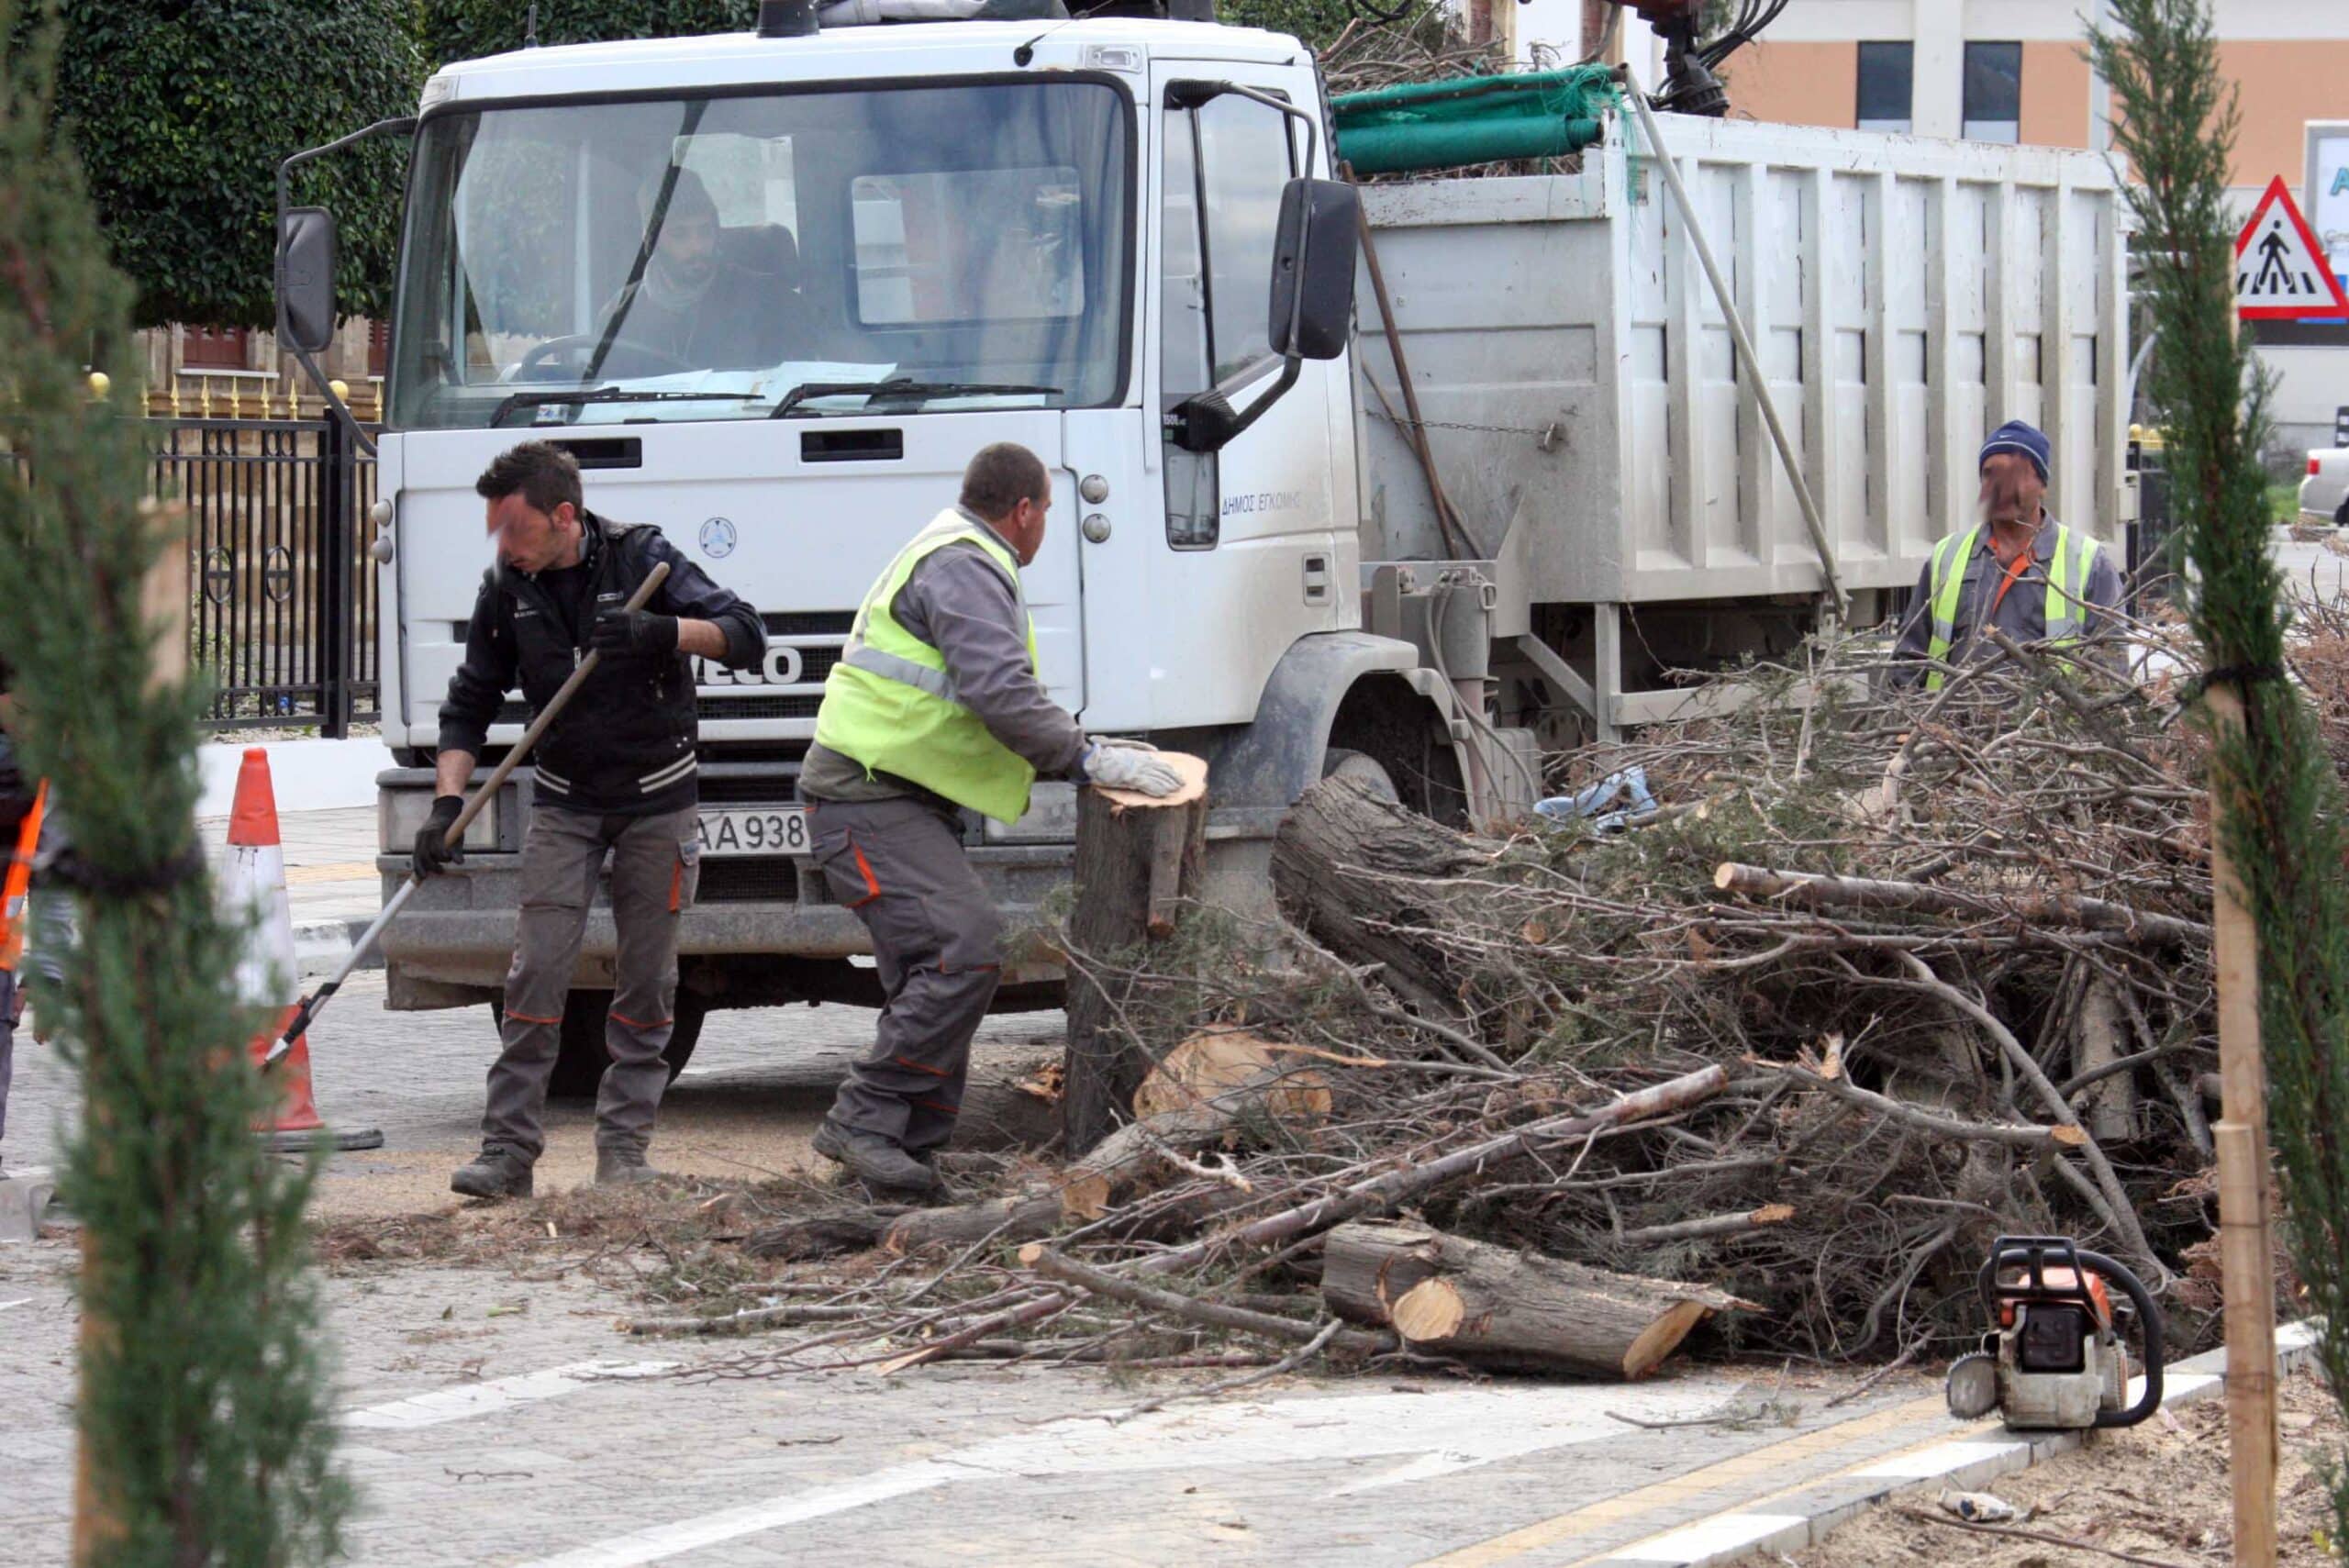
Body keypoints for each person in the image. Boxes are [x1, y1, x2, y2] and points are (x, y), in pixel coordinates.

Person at [799, 442, 1184, 1195]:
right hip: (866, 795)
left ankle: (904, 1160)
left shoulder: (958, 556)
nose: (1046, 528)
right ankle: (864, 1121)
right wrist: (1086, 759)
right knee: (962, 950)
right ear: (1025, 510)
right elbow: (999, 692)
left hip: (889, 796)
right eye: (1047, 513)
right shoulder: (967, 564)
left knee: (934, 964)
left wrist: (1083, 747)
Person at [423, 441, 763, 1197]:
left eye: (515, 530)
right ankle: (507, 1154)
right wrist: (447, 802)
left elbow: (745, 633)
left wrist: (661, 633)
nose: (504, 548)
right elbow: (470, 701)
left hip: (657, 801)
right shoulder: (507, 587)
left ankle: (625, 1156)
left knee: (646, 982)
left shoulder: (645, 560)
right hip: (566, 801)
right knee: (535, 969)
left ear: (565, 516)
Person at [1893, 419, 2127, 690]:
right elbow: (1908, 659)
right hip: (1950, 730)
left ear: (2042, 484)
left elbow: (2111, 669)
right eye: (1990, 474)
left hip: (2044, 732)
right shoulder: (1947, 556)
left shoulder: (2088, 562)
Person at [592, 167, 792, 372]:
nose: (697, 246)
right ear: (652, 242)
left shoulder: (767, 300)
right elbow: (604, 394)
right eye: (679, 234)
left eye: (705, 231)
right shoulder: (620, 315)